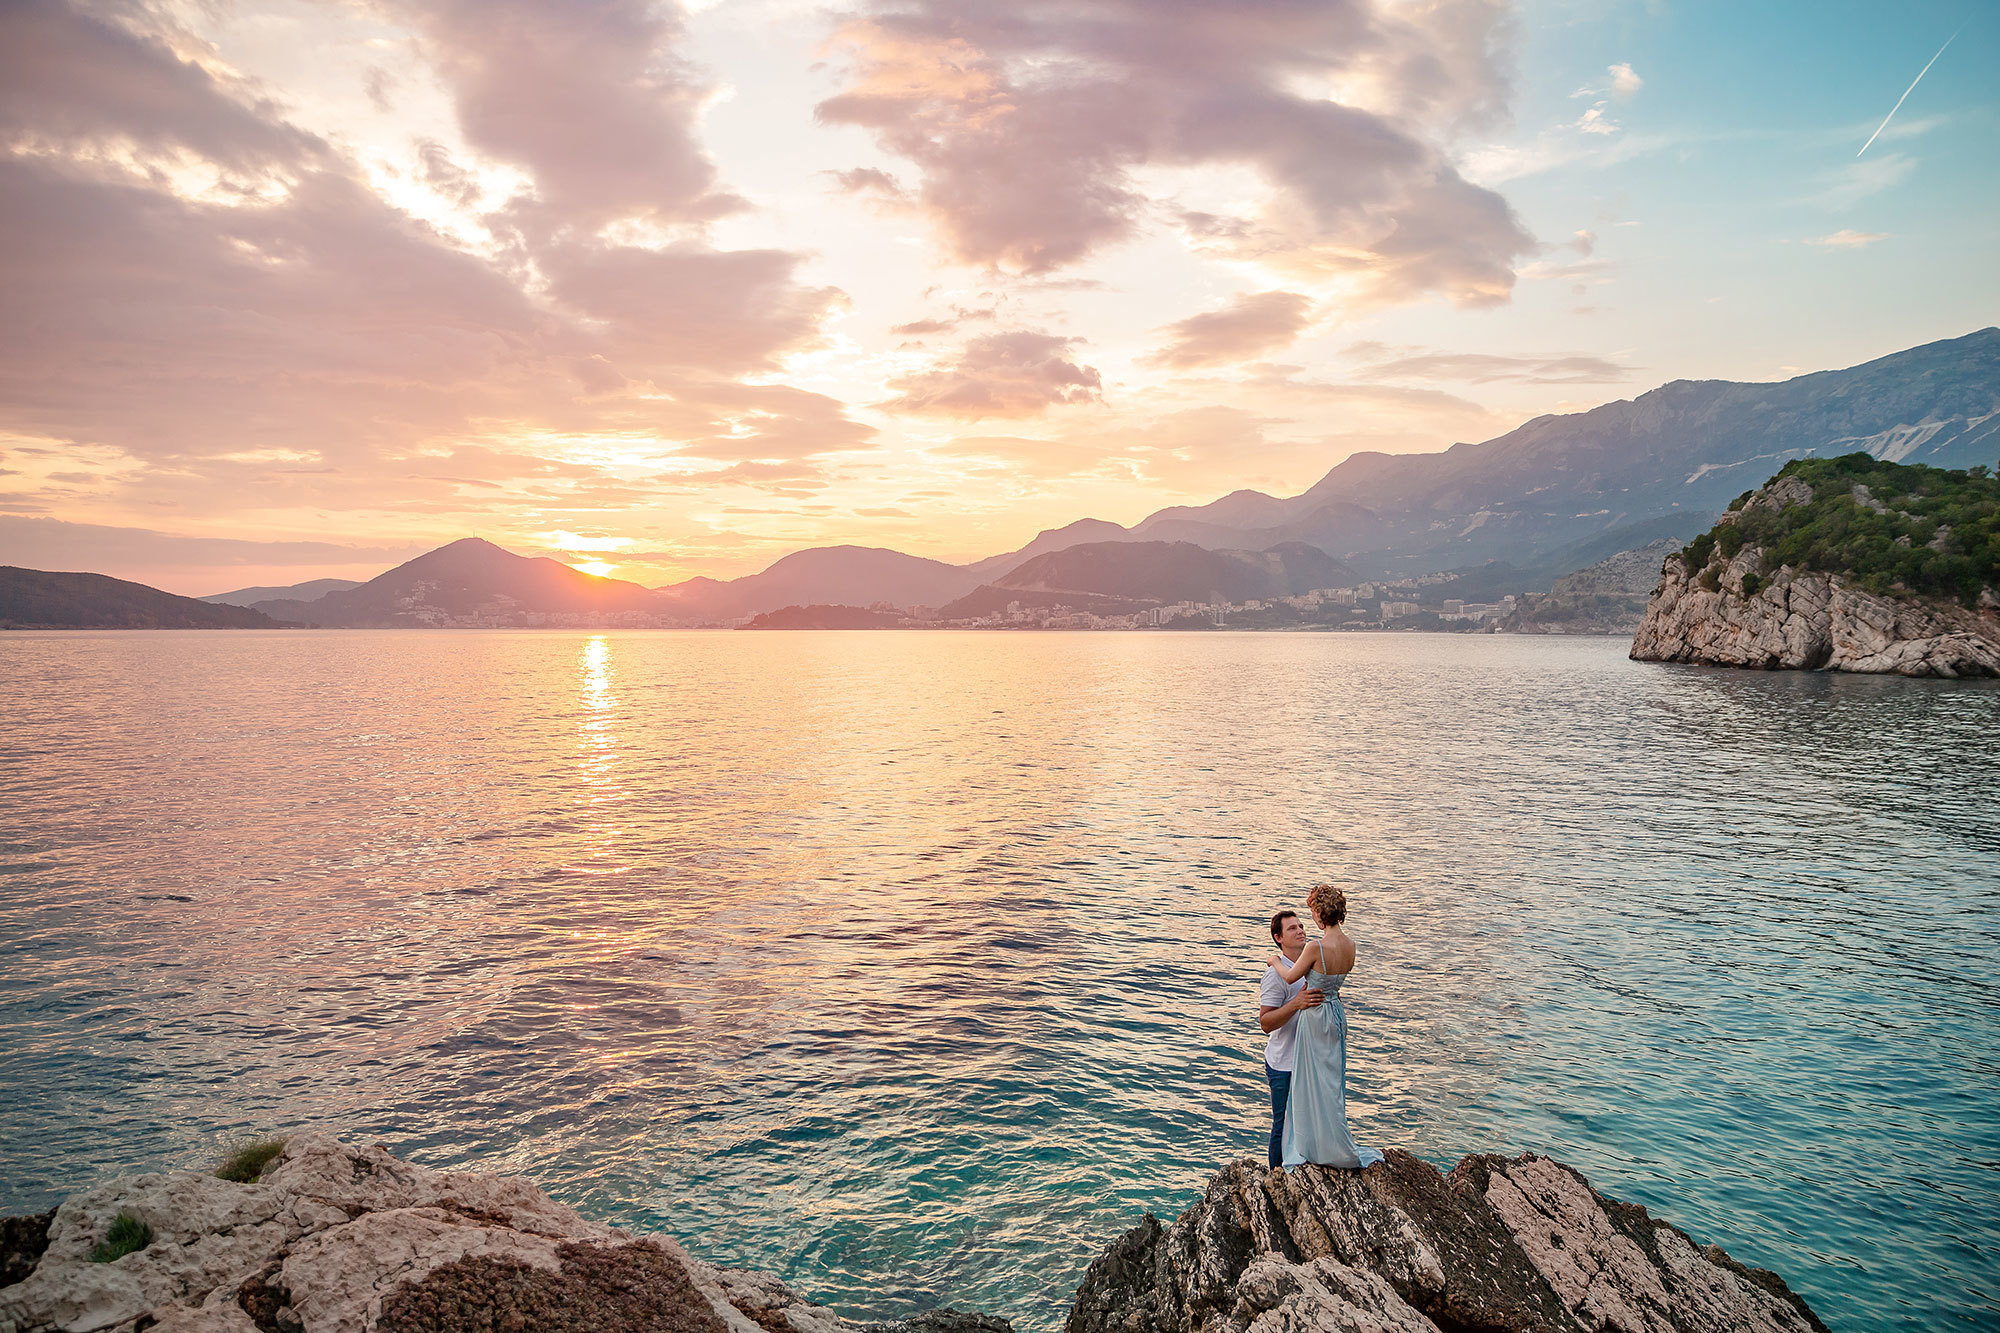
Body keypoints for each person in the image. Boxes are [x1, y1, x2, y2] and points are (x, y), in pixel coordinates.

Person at [1266, 883, 1383, 1170]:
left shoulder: (1315, 947)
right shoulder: (1350, 946)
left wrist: (1274, 960)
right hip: (1336, 1013)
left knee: (1310, 1085)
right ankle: (1331, 1140)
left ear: (1320, 915)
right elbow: (1331, 981)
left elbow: (1292, 976)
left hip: (1316, 1017)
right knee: (1330, 1084)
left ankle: (1310, 1146)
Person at [1257, 909, 1323, 1169]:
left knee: (1309, 1123)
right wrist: (1296, 1004)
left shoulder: (1311, 969)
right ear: (1278, 938)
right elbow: (1265, 1022)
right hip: (1283, 1064)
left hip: (1308, 1061)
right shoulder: (1275, 975)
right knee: (1282, 1126)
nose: (1300, 931)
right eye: (1292, 928)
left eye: (1301, 926)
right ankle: (1277, 1177)